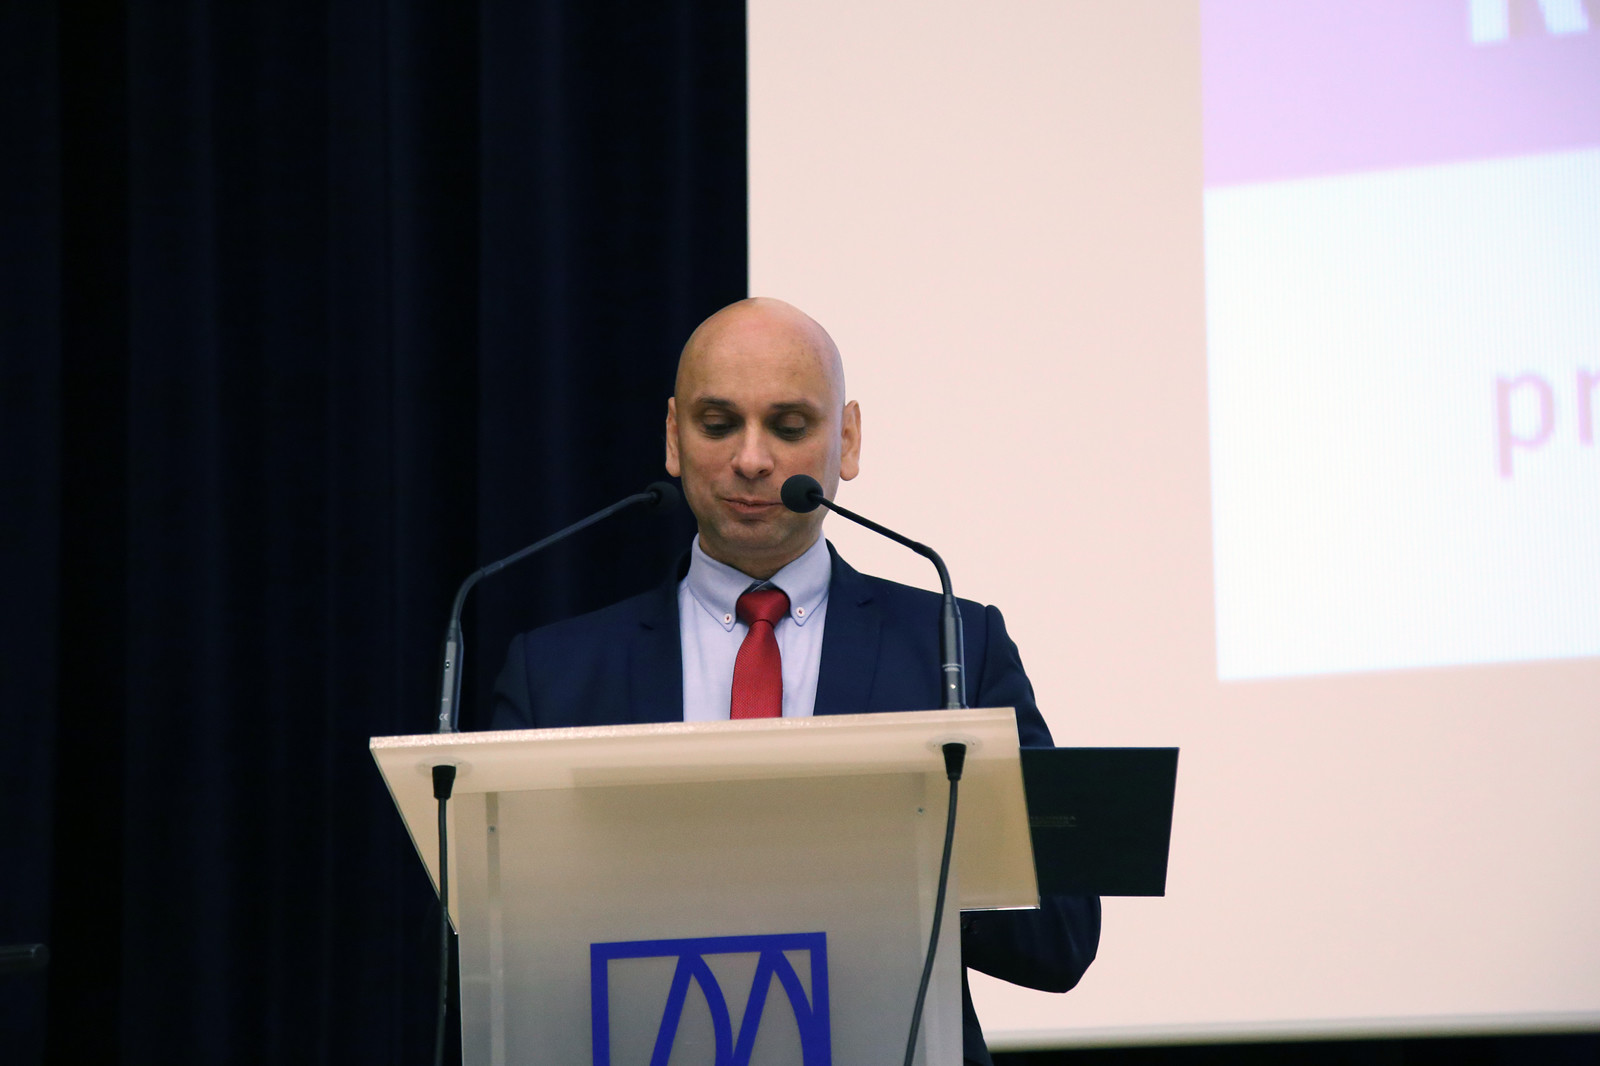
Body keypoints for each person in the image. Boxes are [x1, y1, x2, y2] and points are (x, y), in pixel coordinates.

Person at [492, 297, 1100, 1065]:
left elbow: (1062, 934)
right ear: (673, 437)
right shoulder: (557, 677)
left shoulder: (954, 646)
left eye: (788, 426)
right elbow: (489, 942)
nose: (752, 459)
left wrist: (902, 867)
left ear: (846, 440)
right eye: (719, 424)